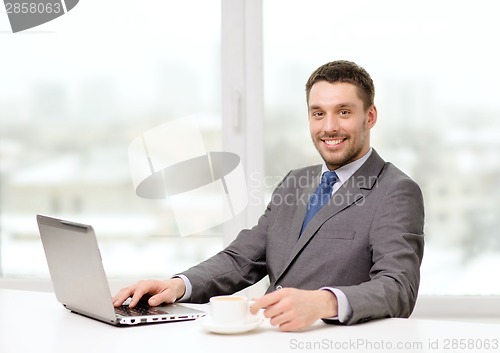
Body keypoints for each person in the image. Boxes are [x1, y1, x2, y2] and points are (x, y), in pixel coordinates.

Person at [113, 60, 425, 331]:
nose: (329, 127)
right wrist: (177, 285)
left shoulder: (396, 190)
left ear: (369, 116)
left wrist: (324, 302)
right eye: (318, 114)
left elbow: (398, 287)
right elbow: (243, 258)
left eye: (343, 112)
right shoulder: (295, 181)